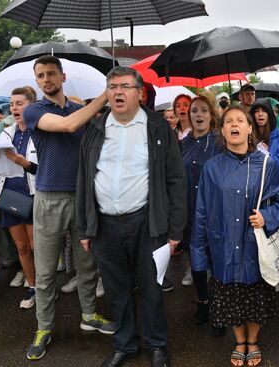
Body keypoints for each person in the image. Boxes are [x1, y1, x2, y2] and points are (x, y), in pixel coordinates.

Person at [77, 66, 186, 367]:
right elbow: (84, 179)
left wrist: (175, 231)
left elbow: (176, 180)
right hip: (105, 224)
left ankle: (157, 344)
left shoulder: (157, 127)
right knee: (115, 288)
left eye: (125, 86)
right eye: (112, 87)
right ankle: (124, 344)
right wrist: (85, 228)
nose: (118, 92)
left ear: (139, 92)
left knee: (151, 285)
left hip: (147, 221)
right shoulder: (96, 127)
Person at [22, 55, 113, 360]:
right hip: (49, 199)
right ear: (37, 80)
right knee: (47, 271)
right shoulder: (34, 110)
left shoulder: (78, 108)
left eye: (51, 74)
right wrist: (105, 94)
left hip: (84, 197)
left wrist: (109, 104)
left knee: (88, 265)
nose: (46, 79)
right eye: (41, 75)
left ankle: (89, 315)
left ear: (63, 76)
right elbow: (68, 125)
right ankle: (44, 327)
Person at [191, 105, 279, 367]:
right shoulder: (212, 168)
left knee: (256, 297)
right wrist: (198, 252)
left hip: (254, 246)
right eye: (228, 121)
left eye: (240, 120)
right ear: (222, 130)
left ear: (249, 129)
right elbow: (201, 210)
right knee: (230, 297)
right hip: (223, 245)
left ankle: (253, 341)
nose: (234, 124)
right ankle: (239, 342)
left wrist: (267, 217)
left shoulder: (266, 164)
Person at [0, 86, 38, 309]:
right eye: (12, 104)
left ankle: (44, 287)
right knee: (22, 247)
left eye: (19, 103)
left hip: (32, 195)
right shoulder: (5, 133)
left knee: (36, 247)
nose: (14, 107)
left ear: (31, 106)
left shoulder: (40, 132)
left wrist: (26, 164)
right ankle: (31, 286)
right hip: (10, 195)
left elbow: (47, 169)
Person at [180, 96, 221, 326]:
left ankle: (217, 305)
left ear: (211, 115)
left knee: (215, 261)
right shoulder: (183, 144)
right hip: (189, 210)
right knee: (196, 260)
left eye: (204, 110)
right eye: (194, 110)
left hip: (214, 212)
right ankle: (203, 300)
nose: (198, 115)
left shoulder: (219, 142)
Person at [250, 98, 279, 241]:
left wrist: (268, 156)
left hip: (274, 196)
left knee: (278, 238)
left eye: (263, 111)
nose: (260, 114)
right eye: (256, 111)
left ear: (270, 114)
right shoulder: (248, 137)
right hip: (253, 195)